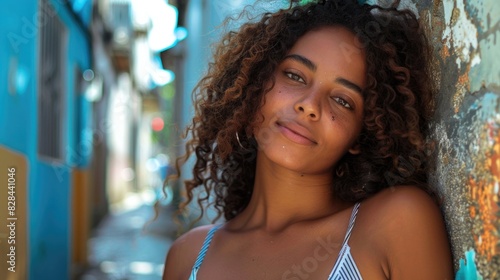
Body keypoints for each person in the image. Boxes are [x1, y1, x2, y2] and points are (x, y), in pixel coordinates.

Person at [163, 0, 453, 279]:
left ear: (359, 135)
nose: (310, 106)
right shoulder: (187, 256)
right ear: (254, 88)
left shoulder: (396, 223)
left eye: (342, 100)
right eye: (295, 76)